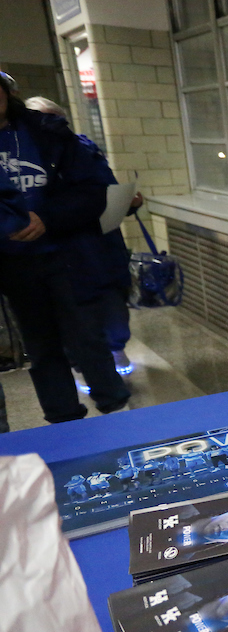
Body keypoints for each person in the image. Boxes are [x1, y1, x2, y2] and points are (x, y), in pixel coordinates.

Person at [0, 71, 129, 421]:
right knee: (41, 349)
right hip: (13, 265)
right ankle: (63, 423)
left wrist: (47, 218)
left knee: (87, 339)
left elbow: (95, 192)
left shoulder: (48, 132)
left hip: (66, 256)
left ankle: (119, 413)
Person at [25, 95, 135, 375]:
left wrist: (128, 202)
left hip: (103, 247)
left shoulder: (84, 150)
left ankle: (114, 353)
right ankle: (89, 366)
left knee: (114, 311)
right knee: (77, 318)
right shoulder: (28, 159)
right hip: (62, 253)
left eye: (55, 121)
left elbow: (104, 191)